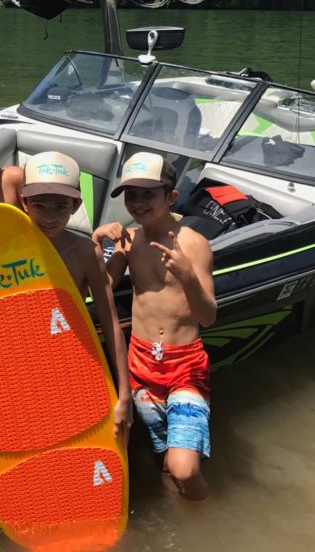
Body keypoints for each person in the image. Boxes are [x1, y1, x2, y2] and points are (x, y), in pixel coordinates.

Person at [0, 150, 133, 440]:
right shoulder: (2, 249)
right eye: (40, 205)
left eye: (61, 206)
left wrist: (124, 393)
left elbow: (110, 320)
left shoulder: (84, 252)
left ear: (76, 205)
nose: (50, 217)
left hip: (70, 367)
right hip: (18, 370)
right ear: (25, 203)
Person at [92, 152, 217, 500]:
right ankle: (187, 525)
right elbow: (101, 287)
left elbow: (208, 317)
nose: (138, 202)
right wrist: (97, 242)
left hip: (184, 366)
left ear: (171, 197)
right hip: (141, 365)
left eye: (148, 193)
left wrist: (187, 275)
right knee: (164, 460)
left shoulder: (194, 244)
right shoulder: (128, 241)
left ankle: (210, 516)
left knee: (184, 469)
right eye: (131, 194)